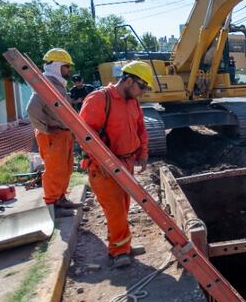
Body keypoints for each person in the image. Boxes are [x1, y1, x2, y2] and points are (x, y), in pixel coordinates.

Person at [79, 61, 154, 268]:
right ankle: (118, 251)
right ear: (128, 80)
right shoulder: (99, 99)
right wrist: (99, 159)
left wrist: (143, 152)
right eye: (141, 87)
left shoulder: (132, 102)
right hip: (104, 167)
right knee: (115, 211)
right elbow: (84, 134)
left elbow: (141, 129)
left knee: (124, 207)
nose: (142, 92)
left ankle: (123, 245)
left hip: (126, 163)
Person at [27, 48, 81, 217]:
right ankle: (52, 204)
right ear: (57, 66)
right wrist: (45, 129)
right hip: (52, 135)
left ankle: (60, 198)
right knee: (54, 169)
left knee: (65, 168)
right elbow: (32, 108)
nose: (68, 70)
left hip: (62, 134)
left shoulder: (56, 84)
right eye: (66, 66)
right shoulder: (46, 84)